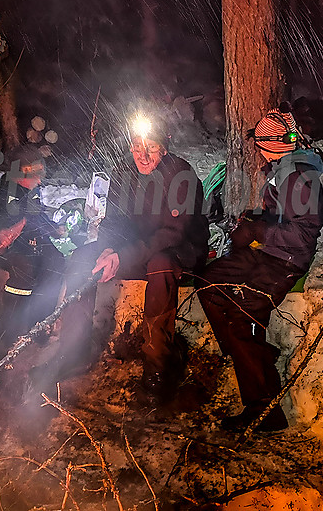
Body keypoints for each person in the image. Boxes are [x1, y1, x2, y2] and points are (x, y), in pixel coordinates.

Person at [36, 115, 209, 404]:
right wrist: (107, 249)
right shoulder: (124, 171)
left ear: (164, 148)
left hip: (178, 248)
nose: (142, 155)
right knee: (82, 257)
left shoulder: (181, 176)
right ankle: (74, 351)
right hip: (136, 248)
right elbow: (114, 221)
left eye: (150, 148)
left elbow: (172, 233)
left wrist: (123, 254)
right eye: (136, 147)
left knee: (161, 265)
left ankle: (158, 365)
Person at [196, 105, 323, 432]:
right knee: (208, 281)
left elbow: (305, 232)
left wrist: (258, 232)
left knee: (244, 316)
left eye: (260, 145)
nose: (259, 152)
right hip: (268, 251)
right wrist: (255, 219)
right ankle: (250, 353)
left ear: (272, 145)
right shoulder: (283, 167)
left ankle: (265, 410)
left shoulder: (298, 175)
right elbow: (280, 217)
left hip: (286, 260)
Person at [0, 146, 65, 351]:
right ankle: (10, 332)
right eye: (37, 174)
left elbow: (36, 216)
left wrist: (54, 228)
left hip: (31, 244)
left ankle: (41, 323)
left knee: (56, 260)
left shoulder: (32, 191)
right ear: (23, 171)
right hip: (6, 251)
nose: (40, 180)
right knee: (24, 266)